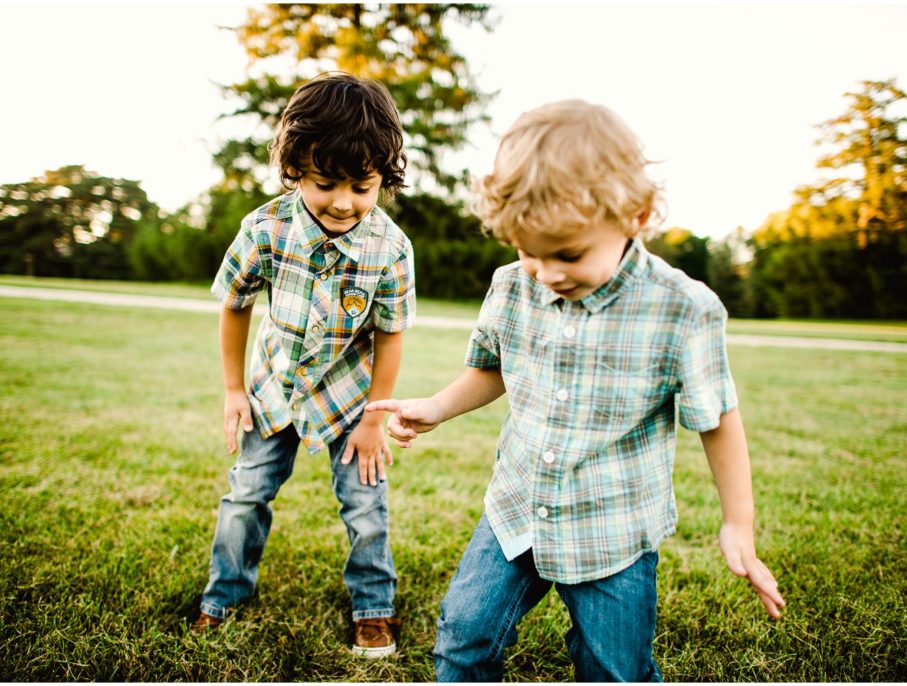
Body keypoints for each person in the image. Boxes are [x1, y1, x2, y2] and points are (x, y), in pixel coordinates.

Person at [366, 99, 785, 681]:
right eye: (528, 251)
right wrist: (437, 406)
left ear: (635, 216)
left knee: (613, 668)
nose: (546, 272)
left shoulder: (682, 310)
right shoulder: (513, 286)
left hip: (613, 529)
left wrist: (738, 522)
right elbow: (494, 368)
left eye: (568, 254)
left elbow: (717, 419)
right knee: (462, 639)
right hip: (516, 509)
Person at [192, 72, 416, 660]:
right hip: (273, 391)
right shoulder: (263, 229)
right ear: (295, 168)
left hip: (349, 399)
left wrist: (374, 419)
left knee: (366, 505)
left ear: (382, 180)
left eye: (362, 186)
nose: (344, 202)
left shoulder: (389, 248)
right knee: (246, 496)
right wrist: (233, 390)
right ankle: (223, 598)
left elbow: (390, 336)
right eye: (326, 183)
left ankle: (374, 608)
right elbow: (234, 306)